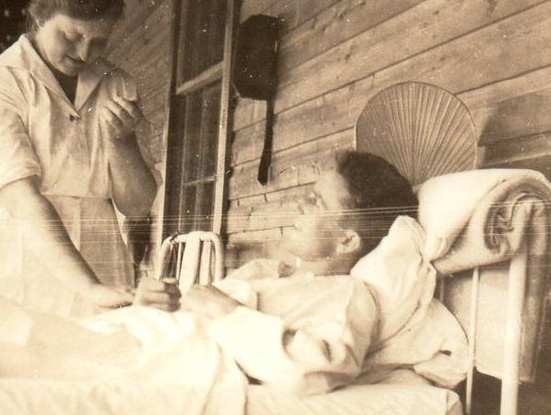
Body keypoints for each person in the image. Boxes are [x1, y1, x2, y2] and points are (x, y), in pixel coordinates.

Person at [135, 150, 469, 396]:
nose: (298, 205)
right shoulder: (266, 271)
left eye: (315, 201)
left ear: (346, 240)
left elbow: (314, 370)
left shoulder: (346, 294)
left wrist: (228, 312)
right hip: (145, 343)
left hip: (165, 367)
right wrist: (152, 305)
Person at [0, 0, 158, 318]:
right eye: (70, 36)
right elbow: (23, 198)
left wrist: (122, 141)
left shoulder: (117, 85)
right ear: (39, 16)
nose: (84, 54)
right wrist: (88, 287)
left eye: (99, 42)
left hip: (100, 250)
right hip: (18, 250)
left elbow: (136, 206)